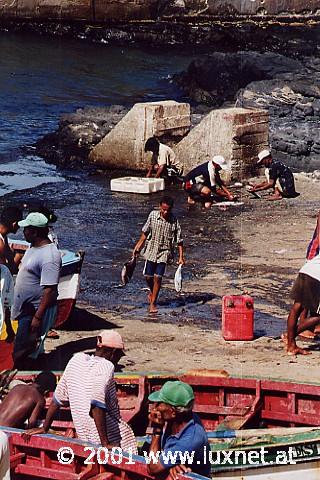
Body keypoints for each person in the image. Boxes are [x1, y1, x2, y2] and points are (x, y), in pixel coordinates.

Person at [24, 330, 137, 453]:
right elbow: (95, 404)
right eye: (119, 356)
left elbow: (57, 399)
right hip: (104, 435)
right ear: (114, 353)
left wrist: (45, 427)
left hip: (85, 436)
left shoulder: (76, 360)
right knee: (129, 436)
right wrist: (105, 443)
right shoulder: (107, 366)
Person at [11, 212, 62, 366]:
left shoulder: (50, 257)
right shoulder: (34, 247)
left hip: (34, 311)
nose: (23, 232)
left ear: (35, 232)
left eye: (26, 229)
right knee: (23, 349)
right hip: (24, 309)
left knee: (22, 352)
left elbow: (50, 290)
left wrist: (37, 318)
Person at [147, 380, 211, 478]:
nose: (155, 407)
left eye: (159, 404)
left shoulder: (189, 441)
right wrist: (172, 463)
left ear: (172, 412)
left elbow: (152, 468)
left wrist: (157, 430)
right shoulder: (182, 418)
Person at [133, 197, 185, 314]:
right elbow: (145, 232)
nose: (165, 212)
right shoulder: (152, 215)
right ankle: (153, 292)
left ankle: (153, 303)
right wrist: (138, 246)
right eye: (163, 209)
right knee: (148, 276)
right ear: (160, 206)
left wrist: (181, 257)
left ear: (171, 209)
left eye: (168, 210)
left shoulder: (174, 221)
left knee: (158, 277)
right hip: (151, 249)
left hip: (165, 252)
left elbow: (179, 240)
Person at [283, 253, 320, 355]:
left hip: (306, 270)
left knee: (296, 307)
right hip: (317, 277)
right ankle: (290, 336)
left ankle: (291, 345)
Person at [0, 207, 23, 346]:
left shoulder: (4, 238)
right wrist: (18, 257)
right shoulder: (1, 244)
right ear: (14, 224)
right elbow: (7, 271)